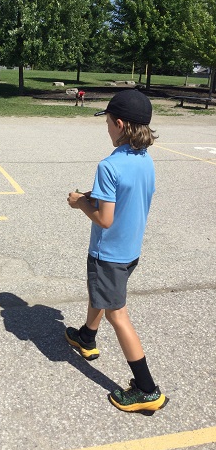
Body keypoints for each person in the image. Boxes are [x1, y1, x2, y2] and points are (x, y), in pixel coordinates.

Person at [66, 90, 169, 413]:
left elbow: (105, 219)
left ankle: (146, 388)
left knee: (117, 313)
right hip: (131, 249)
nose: (107, 129)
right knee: (103, 294)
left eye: (108, 123)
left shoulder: (109, 165)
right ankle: (86, 336)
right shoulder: (145, 160)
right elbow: (128, 198)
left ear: (121, 124)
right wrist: (93, 195)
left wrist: (80, 202)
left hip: (108, 252)